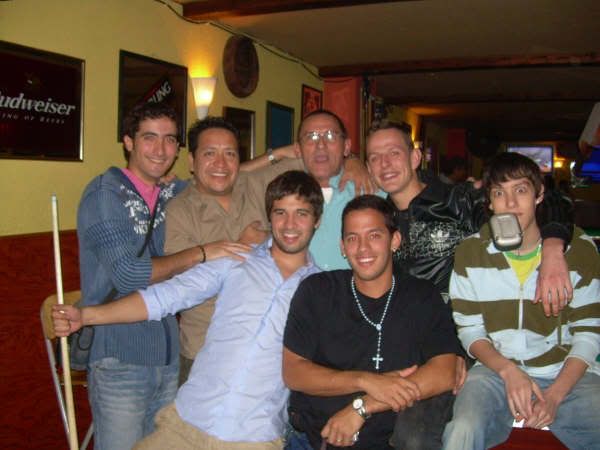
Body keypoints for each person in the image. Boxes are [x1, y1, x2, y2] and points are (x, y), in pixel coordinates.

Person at [54, 170, 324, 449]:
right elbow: (164, 297)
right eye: (280, 212)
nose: (289, 224)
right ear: (270, 217)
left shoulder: (321, 291)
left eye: (301, 213)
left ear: (317, 220)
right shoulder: (236, 259)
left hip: (254, 436)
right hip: (187, 422)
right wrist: (86, 316)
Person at [76, 102, 211, 450]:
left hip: (168, 356)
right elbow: (129, 275)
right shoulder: (105, 194)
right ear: (128, 141)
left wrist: (284, 154)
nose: (160, 149)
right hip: (119, 356)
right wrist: (200, 253)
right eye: (149, 137)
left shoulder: (170, 193)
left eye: (170, 139)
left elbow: (219, 173)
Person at [443, 152, 600, 450]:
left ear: (539, 195)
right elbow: (470, 331)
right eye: (499, 193)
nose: (511, 203)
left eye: (521, 190)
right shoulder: (470, 253)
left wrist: (555, 395)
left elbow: (589, 333)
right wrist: (507, 371)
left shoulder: (578, 250)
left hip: (565, 372)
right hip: (495, 371)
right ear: (490, 202)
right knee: (462, 429)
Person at [283, 195, 463, 449]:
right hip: (315, 440)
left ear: (395, 240)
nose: (363, 248)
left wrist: (362, 407)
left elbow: (445, 372)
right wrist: (365, 380)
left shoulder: (422, 296)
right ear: (342, 247)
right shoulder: (318, 291)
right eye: (352, 238)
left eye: (374, 235)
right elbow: (294, 372)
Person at [365, 122, 574, 315]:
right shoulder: (377, 218)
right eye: (375, 157)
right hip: (404, 327)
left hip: (461, 330)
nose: (385, 164)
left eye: (394, 153)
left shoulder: (459, 199)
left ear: (415, 158)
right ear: (369, 169)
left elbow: (552, 200)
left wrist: (552, 250)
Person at [165, 116, 290, 384]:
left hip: (267, 351)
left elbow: (318, 162)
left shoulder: (254, 184)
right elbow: (187, 285)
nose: (221, 164)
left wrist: (352, 161)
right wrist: (246, 249)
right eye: (210, 153)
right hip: (206, 354)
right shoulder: (179, 210)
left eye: (230, 154)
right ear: (191, 161)